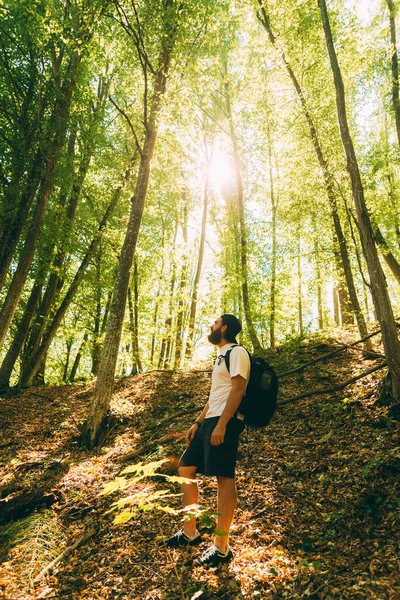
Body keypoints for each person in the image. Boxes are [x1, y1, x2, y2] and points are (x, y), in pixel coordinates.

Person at [162, 314, 250, 567]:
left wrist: (223, 423)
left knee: (224, 477)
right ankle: (190, 532)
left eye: (215, 322)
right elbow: (215, 395)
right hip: (210, 420)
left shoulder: (237, 352)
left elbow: (238, 389)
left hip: (226, 421)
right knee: (185, 468)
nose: (211, 325)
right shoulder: (221, 355)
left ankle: (222, 548)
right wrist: (198, 423)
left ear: (224, 328)